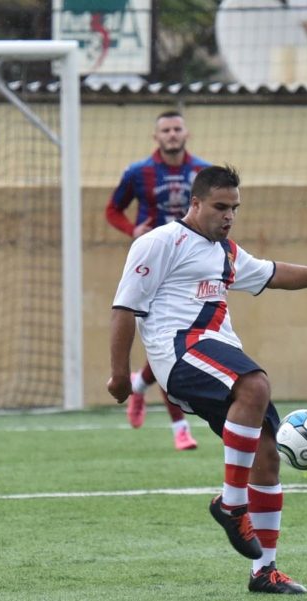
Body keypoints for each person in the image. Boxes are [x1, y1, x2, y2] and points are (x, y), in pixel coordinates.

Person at [107, 165, 307, 593]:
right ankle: (231, 504)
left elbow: (273, 273)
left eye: (235, 209)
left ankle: (264, 570)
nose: (228, 216)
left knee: (267, 455)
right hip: (181, 351)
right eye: (220, 207)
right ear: (195, 203)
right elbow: (123, 310)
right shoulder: (159, 243)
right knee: (256, 383)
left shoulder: (227, 252)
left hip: (215, 357)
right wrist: (119, 375)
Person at [106, 110, 211, 451]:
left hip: (192, 266)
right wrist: (131, 230)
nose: (171, 135)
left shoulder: (202, 172)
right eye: (165, 130)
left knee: (175, 342)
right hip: (152, 265)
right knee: (168, 343)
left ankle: (140, 385)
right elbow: (112, 209)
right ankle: (180, 428)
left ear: (186, 134)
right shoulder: (139, 173)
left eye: (177, 129)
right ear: (156, 136)